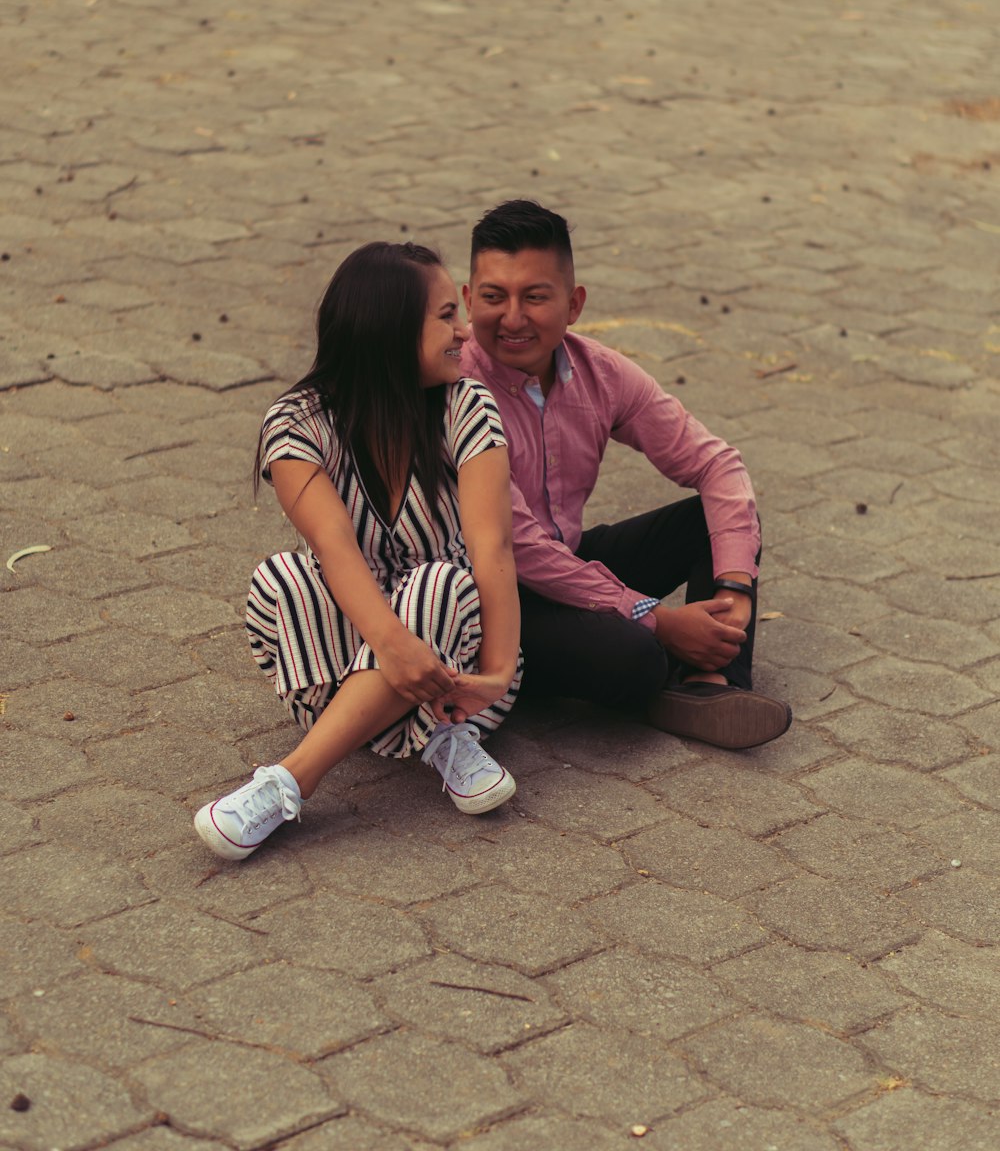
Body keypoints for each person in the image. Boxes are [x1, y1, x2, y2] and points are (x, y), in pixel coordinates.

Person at [195, 242, 522, 860]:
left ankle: (291, 779)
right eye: (447, 315)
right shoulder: (296, 423)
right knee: (282, 579)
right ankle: (433, 740)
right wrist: (396, 651)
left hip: (459, 668)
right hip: (347, 651)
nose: (465, 330)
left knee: (441, 585)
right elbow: (334, 549)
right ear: (390, 329)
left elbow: (491, 546)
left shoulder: (468, 406)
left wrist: (500, 670)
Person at [460, 200, 791, 750]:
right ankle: (624, 676)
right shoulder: (455, 389)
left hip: (565, 563)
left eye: (536, 297)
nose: (513, 318)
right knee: (634, 654)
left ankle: (710, 685)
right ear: (469, 300)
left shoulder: (602, 373)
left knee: (710, 520)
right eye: (494, 297)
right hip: (485, 596)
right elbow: (516, 546)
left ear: (574, 304)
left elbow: (716, 464)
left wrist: (734, 588)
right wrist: (656, 619)